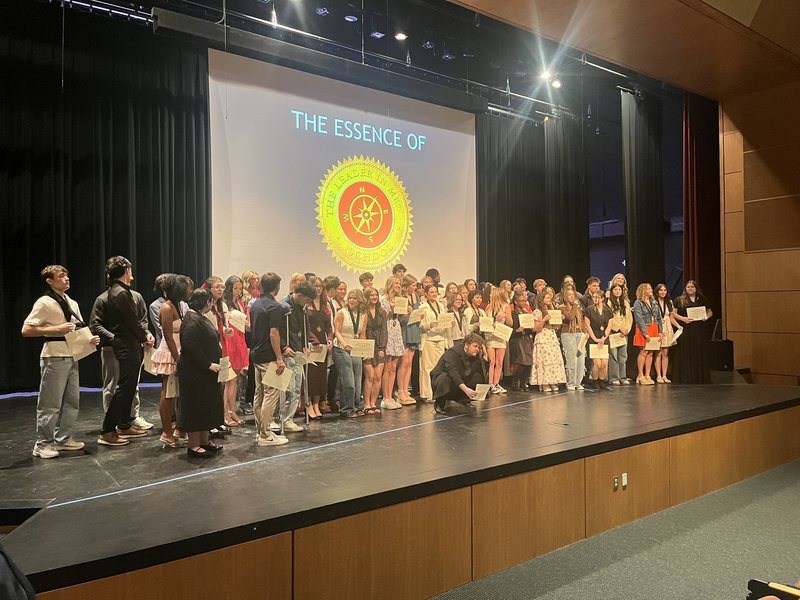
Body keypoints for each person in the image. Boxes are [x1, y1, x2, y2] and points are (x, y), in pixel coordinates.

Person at [22, 265, 100, 458]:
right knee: (50, 403)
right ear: (50, 281)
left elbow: (78, 328)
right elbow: (26, 329)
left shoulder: (71, 302)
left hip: (72, 354)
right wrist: (56, 330)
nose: (66, 279)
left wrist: (89, 339)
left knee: (72, 400)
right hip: (54, 355)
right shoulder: (45, 302)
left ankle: (63, 439)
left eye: (67, 276)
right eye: (60, 276)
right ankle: (43, 444)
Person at [98, 256, 154, 446]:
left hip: (128, 344)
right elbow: (131, 321)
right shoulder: (121, 293)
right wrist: (144, 336)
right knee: (124, 388)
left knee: (128, 388)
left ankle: (123, 425)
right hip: (126, 345)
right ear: (126, 271)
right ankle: (107, 430)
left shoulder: (119, 291)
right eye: (129, 269)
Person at [177, 289, 224, 458]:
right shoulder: (192, 319)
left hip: (205, 372)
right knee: (196, 407)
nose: (212, 304)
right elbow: (190, 346)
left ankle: (204, 441)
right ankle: (194, 445)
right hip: (195, 372)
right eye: (210, 301)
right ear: (204, 302)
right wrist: (207, 364)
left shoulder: (198, 317)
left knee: (206, 406)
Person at [151, 274, 192, 448]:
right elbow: (167, 336)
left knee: (176, 394)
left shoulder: (178, 306)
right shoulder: (166, 308)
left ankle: (178, 429)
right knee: (167, 394)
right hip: (170, 354)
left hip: (178, 352)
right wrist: (177, 358)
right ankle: (167, 433)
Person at [249, 272, 289, 447]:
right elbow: (274, 333)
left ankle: (261, 431)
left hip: (256, 354)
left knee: (259, 393)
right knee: (271, 394)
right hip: (268, 355)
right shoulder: (274, 307)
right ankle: (265, 434)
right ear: (277, 287)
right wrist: (279, 358)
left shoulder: (256, 304)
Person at [271, 281, 316, 433]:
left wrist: (306, 344)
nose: (308, 303)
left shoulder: (302, 308)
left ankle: (288, 419)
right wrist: (284, 347)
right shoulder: (283, 306)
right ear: (299, 295)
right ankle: (277, 417)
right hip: (287, 352)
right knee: (286, 388)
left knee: (297, 388)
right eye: (307, 300)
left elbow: (306, 326)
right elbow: (276, 330)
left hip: (298, 351)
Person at [333, 289, 368, 418]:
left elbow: (362, 334)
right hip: (341, 348)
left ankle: (355, 405)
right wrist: (343, 343)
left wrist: (365, 350)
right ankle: (346, 409)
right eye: (350, 298)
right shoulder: (342, 313)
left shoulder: (364, 315)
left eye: (354, 298)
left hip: (356, 348)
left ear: (360, 300)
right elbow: (337, 331)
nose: (352, 300)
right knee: (348, 381)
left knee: (358, 381)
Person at [432, 334, 488, 414]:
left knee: (477, 377)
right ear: (466, 345)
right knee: (444, 378)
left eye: (479, 347)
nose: (477, 349)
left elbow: (482, 371)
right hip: (443, 378)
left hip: (460, 376)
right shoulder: (452, 353)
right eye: (475, 346)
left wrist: (485, 356)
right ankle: (440, 403)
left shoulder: (474, 355)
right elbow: (453, 372)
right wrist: (466, 389)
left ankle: (463, 399)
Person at [672, 280, 713, 384]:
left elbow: (710, 311)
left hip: (699, 329)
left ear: (696, 288)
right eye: (688, 287)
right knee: (685, 351)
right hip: (685, 328)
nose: (690, 288)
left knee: (698, 351)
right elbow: (673, 314)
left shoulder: (702, 299)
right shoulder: (679, 300)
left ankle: (699, 377)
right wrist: (683, 319)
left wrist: (706, 317)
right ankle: (685, 377)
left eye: (692, 287)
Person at [223, 275, 249, 425]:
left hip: (240, 340)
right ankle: (225, 412)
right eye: (235, 288)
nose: (238, 291)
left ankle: (232, 410)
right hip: (230, 341)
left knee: (236, 379)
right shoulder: (224, 304)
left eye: (240, 288)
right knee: (228, 379)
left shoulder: (240, 303)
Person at [529, 286, 566, 392]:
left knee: (553, 360)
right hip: (543, 337)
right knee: (544, 360)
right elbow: (536, 328)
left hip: (552, 337)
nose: (550, 300)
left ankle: (553, 381)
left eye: (550, 298)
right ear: (542, 299)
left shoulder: (552, 310)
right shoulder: (537, 312)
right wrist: (544, 319)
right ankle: (544, 382)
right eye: (547, 298)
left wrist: (559, 320)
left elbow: (556, 327)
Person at [305, 277, 332, 420]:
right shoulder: (306, 305)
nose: (318, 289)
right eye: (315, 286)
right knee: (311, 376)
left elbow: (328, 326)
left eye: (320, 286)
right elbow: (304, 326)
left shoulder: (325, 305)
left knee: (321, 375)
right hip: (311, 344)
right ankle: (308, 404)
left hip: (323, 344)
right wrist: (313, 340)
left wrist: (329, 339)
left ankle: (316, 403)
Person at [419, 284, 451, 402]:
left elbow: (444, 320)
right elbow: (420, 325)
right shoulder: (423, 307)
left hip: (441, 338)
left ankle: (438, 392)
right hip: (428, 339)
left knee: (439, 368)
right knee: (427, 368)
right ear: (426, 294)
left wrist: (449, 323)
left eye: (435, 292)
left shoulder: (441, 306)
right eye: (431, 292)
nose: (433, 294)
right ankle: (427, 394)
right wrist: (429, 325)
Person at [379, 276, 404, 410]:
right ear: (390, 284)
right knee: (387, 366)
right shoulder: (382, 299)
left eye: (399, 283)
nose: (398, 285)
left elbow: (400, 317)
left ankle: (390, 396)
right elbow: (383, 316)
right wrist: (392, 310)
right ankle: (385, 397)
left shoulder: (400, 299)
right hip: (387, 329)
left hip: (396, 329)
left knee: (394, 366)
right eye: (396, 283)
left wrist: (405, 312)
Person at [654, 283, 686, 384]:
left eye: (664, 290)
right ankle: (658, 375)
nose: (663, 292)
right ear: (657, 291)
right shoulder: (653, 302)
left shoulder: (669, 302)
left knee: (665, 353)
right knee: (658, 352)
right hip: (657, 328)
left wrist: (677, 326)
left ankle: (664, 375)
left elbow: (671, 317)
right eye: (661, 290)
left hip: (667, 328)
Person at [362, 287, 388, 414]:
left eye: (375, 295)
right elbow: (362, 332)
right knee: (370, 376)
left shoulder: (381, 311)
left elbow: (384, 330)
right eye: (371, 295)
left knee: (378, 377)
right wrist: (365, 350)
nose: (374, 297)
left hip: (379, 346)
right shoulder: (363, 312)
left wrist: (383, 347)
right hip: (368, 345)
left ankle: (373, 403)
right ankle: (366, 403)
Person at [396, 274, 421, 405]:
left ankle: (406, 390)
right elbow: (400, 319)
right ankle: (400, 391)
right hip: (405, 329)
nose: (415, 288)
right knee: (404, 362)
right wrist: (407, 313)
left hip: (414, 329)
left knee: (410, 362)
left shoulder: (416, 296)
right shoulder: (401, 297)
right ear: (406, 286)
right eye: (413, 285)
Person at [632, 283, 662, 385]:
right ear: (643, 290)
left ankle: (647, 375)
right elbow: (639, 319)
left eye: (650, 288)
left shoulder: (654, 302)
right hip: (644, 328)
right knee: (644, 352)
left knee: (651, 352)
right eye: (648, 288)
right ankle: (640, 375)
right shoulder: (638, 303)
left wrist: (660, 331)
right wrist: (645, 333)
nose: (651, 290)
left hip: (654, 327)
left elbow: (659, 317)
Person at [585, 291, 614, 389]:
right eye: (593, 297)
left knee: (604, 363)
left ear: (602, 298)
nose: (595, 299)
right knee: (597, 363)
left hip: (604, 337)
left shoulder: (608, 311)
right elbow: (587, 325)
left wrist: (603, 338)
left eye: (597, 297)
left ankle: (602, 380)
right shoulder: (589, 310)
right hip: (594, 337)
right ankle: (595, 380)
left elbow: (609, 326)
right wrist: (595, 339)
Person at [486, 286, 512, 394]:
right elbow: (486, 322)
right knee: (491, 361)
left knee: (499, 362)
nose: (490, 295)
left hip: (501, 337)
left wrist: (506, 315)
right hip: (491, 336)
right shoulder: (489, 307)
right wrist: (495, 319)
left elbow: (511, 323)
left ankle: (496, 383)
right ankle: (490, 384)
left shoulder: (506, 306)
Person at [559, 287, 585, 390]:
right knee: (571, 360)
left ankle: (578, 383)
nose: (572, 297)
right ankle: (571, 383)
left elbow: (581, 320)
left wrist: (585, 332)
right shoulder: (562, 308)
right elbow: (570, 317)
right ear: (565, 297)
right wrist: (574, 305)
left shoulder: (578, 308)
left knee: (580, 359)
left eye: (573, 295)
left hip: (579, 334)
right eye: (569, 295)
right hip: (568, 334)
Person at [607, 283, 633, 385]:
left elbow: (629, 318)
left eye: (619, 290)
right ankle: (614, 378)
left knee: (623, 356)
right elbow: (610, 318)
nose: (618, 291)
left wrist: (626, 329)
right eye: (615, 290)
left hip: (624, 333)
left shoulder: (625, 302)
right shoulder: (609, 303)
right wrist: (619, 328)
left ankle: (623, 377)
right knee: (613, 355)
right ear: (612, 291)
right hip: (614, 332)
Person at [509, 291, 534, 391]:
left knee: (529, 362)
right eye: (521, 301)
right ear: (516, 301)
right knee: (522, 362)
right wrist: (517, 330)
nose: (524, 303)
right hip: (517, 339)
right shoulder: (513, 313)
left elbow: (530, 326)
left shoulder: (526, 313)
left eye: (525, 301)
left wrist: (531, 327)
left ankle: (523, 383)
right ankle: (515, 383)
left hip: (526, 338)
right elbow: (511, 329)